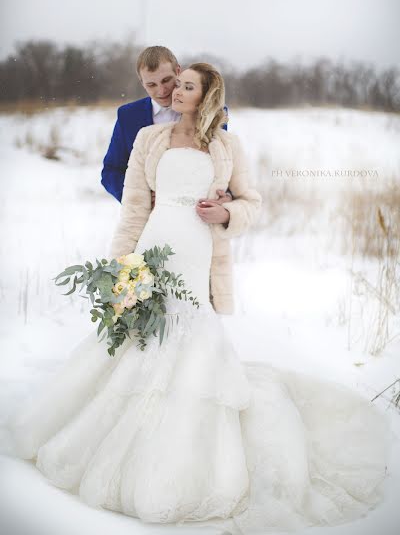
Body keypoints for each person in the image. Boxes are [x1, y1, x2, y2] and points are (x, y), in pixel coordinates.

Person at [10, 63, 391, 535]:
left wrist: (226, 210)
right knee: (140, 338)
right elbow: (133, 208)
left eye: (187, 86)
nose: (174, 91)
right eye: (175, 84)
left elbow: (252, 201)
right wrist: (119, 268)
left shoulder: (227, 145)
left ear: (206, 95)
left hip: (196, 253)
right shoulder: (150, 139)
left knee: (190, 339)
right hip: (153, 244)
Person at [101, 45, 231, 208]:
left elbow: (224, 164)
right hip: (148, 218)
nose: (161, 91)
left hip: (198, 212)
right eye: (151, 85)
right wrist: (140, 199)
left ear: (178, 71)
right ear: (142, 83)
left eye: (166, 80)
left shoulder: (211, 112)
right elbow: (111, 171)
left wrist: (226, 200)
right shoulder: (128, 116)